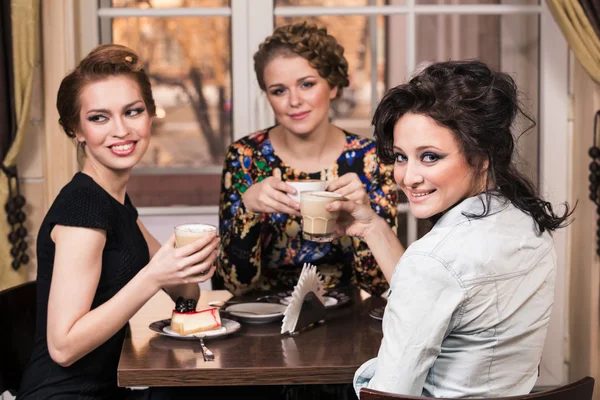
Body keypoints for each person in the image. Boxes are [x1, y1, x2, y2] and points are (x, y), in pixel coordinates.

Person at [325, 60, 574, 397]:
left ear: (481, 156)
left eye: (430, 157)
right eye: (400, 156)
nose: (408, 177)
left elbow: (390, 394)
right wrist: (371, 227)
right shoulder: (528, 223)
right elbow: (443, 291)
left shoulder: (434, 262)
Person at [18, 44, 218, 399]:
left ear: (151, 115)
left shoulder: (114, 200)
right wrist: (155, 275)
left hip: (112, 389)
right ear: (76, 130)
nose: (121, 130)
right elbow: (62, 347)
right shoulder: (83, 210)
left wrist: (190, 263)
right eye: (99, 117)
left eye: (133, 111)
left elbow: (185, 293)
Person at [216, 22, 399, 296]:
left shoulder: (371, 159)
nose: (294, 101)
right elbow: (235, 285)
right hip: (262, 317)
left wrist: (366, 216)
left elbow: (379, 285)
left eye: (307, 84)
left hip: (346, 319)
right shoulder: (244, 157)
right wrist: (248, 210)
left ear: (334, 86)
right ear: (268, 96)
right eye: (279, 90)